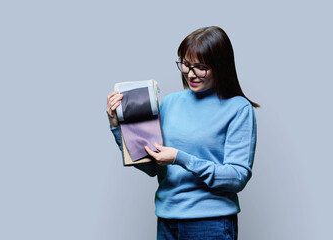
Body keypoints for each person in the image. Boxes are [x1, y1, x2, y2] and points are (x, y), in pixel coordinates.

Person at [106, 26, 259, 240]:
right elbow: (150, 165)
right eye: (185, 65)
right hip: (167, 220)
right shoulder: (169, 103)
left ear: (220, 67)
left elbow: (237, 177)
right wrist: (118, 126)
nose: (190, 74)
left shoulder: (238, 108)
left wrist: (180, 158)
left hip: (211, 223)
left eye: (201, 67)